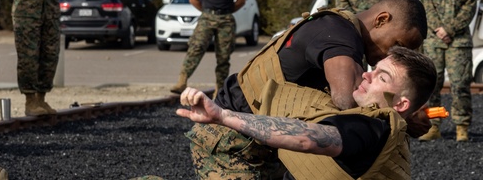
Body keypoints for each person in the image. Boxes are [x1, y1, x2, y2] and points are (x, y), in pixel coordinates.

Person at [187, 0, 429, 178]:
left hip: (260, 137)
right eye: (398, 44)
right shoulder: (339, 37)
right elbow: (347, 100)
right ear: (382, 20)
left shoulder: (342, 31)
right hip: (232, 140)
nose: (395, 54)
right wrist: (401, 114)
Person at [177, 46, 437, 180]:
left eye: (382, 77)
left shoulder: (372, 128)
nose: (367, 75)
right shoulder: (394, 132)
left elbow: (307, 138)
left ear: (401, 104)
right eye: (373, 68)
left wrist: (222, 116)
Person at [419, 0, 478, 142]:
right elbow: (427, 5)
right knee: (432, 84)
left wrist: (449, 29)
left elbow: (469, 9)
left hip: (458, 41)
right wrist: (438, 28)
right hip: (435, 40)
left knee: (460, 84)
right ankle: (434, 125)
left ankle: (461, 126)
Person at [170, 0, 247, 96]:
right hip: (207, 17)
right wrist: (207, 11)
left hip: (225, 19)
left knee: (224, 56)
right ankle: (182, 81)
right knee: (196, 47)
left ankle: (220, 90)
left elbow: (241, 0)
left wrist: (226, 11)